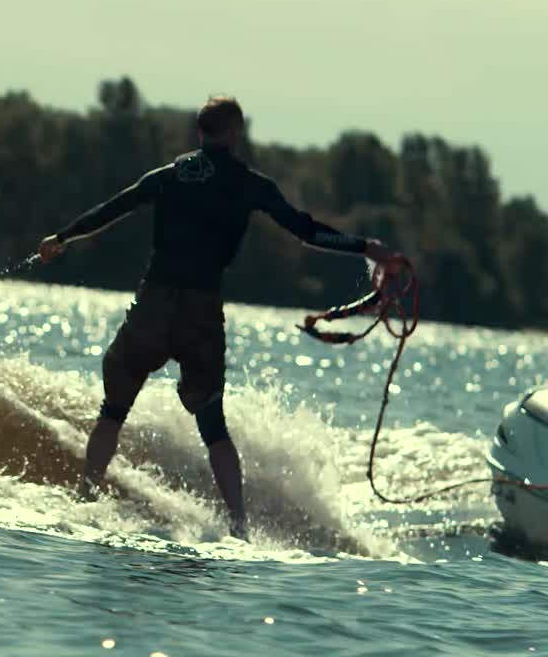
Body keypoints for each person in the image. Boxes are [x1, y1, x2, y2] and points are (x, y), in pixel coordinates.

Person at [38, 96, 402, 540]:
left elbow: (112, 209)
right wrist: (367, 247)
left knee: (112, 410)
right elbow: (306, 230)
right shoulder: (250, 184)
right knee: (213, 426)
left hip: (154, 303)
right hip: (201, 312)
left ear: (199, 132)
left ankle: (85, 497)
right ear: (235, 133)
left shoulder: (168, 176)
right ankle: (238, 526)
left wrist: (63, 237)